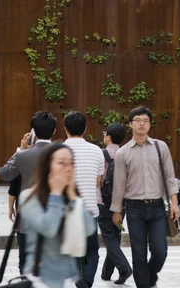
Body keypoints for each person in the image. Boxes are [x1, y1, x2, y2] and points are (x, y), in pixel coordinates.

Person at [112, 106, 180, 288]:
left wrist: (174, 203)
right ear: (131, 124)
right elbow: (119, 184)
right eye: (137, 120)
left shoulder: (160, 147)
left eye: (145, 120)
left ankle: (150, 275)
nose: (141, 124)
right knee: (138, 253)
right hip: (134, 209)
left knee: (160, 251)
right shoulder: (122, 153)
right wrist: (117, 211)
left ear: (150, 124)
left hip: (158, 207)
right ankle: (144, 284)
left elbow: (169, 176)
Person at [18, 142, 96, 288]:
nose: (68, 168)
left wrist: (72, 196)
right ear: (48, 167)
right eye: (61, 163)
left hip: (68, 278)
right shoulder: (29, 197)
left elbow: (89, 229)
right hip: (41, 278)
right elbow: (48, 228)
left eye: (71, 163)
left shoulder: (69, 197)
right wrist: (55, 194)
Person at [0, 110, 57, 272]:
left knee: (25, 262)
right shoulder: (62, 155)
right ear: (53, 131)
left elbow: (5, 173)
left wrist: (20, 150)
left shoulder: (23, 156)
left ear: (33, 131)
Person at [63, 111, 105, 288]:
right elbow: (98, 181)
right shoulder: (96, 151)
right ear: (85, 129)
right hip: (89, 209)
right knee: (92, 250)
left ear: (65, 129)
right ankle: (86, 281)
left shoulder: (58, 151)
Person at [98, 123, 132, 284]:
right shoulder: (126, 154)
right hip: (122, 203)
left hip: (104, 202)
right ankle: (106, 273)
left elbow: (98, 180)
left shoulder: (102, 154)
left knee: (109, 237)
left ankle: (124, 268)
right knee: (114, 235)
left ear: (109, 137)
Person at [8, 175, 23, 272]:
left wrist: (10, 208)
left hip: (22, 212)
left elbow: (12, 190)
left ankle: (23, 270)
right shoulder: (44, 163)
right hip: (41, 211)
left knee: (22, 244)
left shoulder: (19, 165)